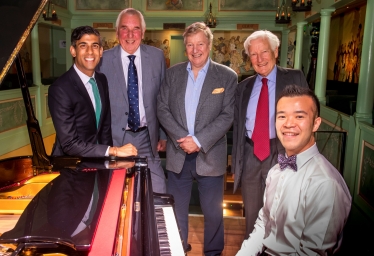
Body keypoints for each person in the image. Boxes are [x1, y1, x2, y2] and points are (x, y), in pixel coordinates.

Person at [236, 85, 352, 255]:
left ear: (315, 124)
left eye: (299, 116)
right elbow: (263, 224)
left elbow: (312, 253)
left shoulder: (326, 184)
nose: (289, 124)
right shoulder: (276, 171)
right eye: (282, 116)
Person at [157, 22, 237, 255]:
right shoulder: (172, 74)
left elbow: (227, 115)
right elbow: (162, 108)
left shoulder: (226, 76)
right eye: (190, 45)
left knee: (213, 212)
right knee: (177, 210)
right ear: (185, 48)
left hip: (210, 155)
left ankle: (213, 252)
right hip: (178, 153)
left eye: (200, 44)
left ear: (209, 45)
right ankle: (178, 248)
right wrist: (182, 137)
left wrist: (199, 140)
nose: (195, 50)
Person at [231, 30, 309, 237]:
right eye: (253, 55)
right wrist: (236, 164)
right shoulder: (243, 87)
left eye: (264, 51)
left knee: (282, 213)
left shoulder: (294, 78)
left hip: (282, 152)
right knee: (253, 217)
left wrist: (303, 158)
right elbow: (238, 127)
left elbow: (308, 115)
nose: (259, 59)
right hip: (250, 154)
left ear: (275, 50)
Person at [97, 8, 167, 193]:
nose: (130, 34)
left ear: (143, 33)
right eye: (124, 28)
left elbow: (163, 98)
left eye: (135, 28)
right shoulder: (103, 60)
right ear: (117, 31)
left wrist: (163, 134)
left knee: (158, 190)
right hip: (115, 139)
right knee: (115, 192)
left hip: (147, 138)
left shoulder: (156, 56)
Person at [48, 26, 137, 158]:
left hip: (99, 162)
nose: (90, 52)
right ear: (73, 51)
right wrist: (113, 151)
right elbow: (69, 144)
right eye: (83, 46)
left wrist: (109, 161)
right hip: (71, 166)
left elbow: (105, 128)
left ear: (101, 51)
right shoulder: (60, 89)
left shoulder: (101, 79)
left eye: (95, 46)